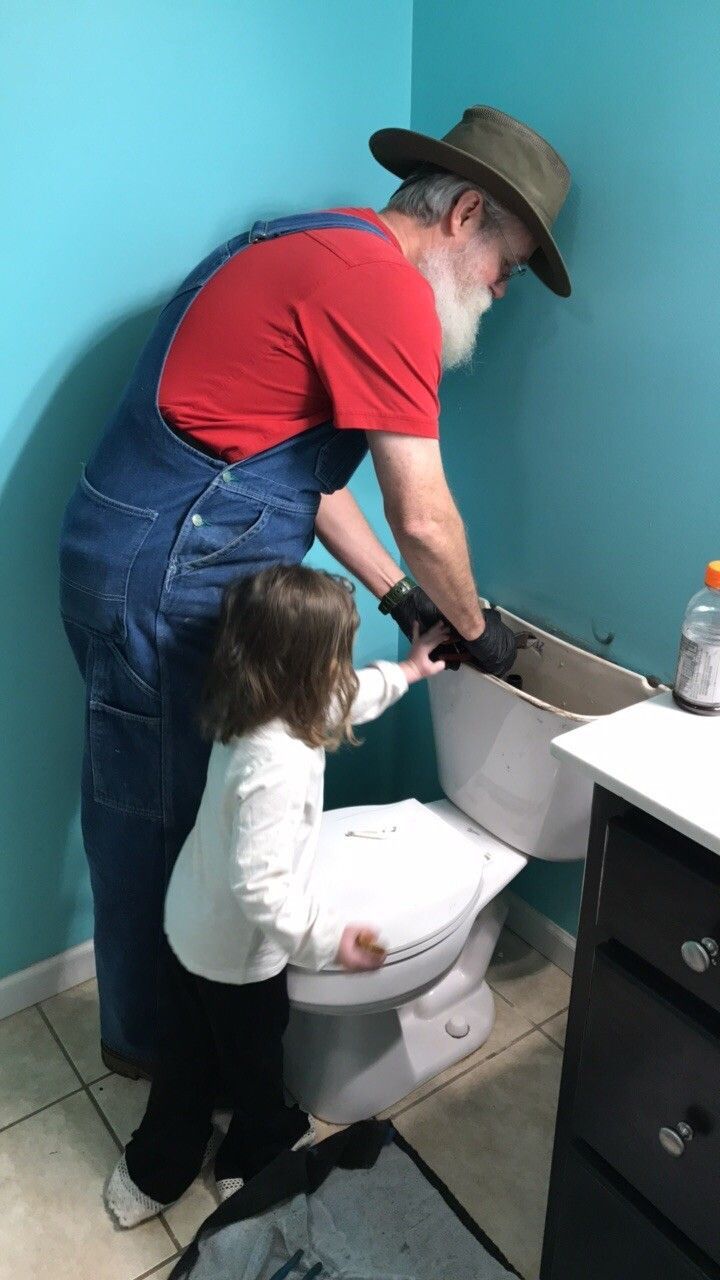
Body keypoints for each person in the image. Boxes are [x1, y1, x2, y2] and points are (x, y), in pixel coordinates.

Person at [58, 104, 572, 1078]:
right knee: (161, 821)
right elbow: (425, 516)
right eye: (506, 269)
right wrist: (478, 627)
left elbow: (301, 475)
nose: (501, 295)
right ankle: (166, 1064)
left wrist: (395, 599)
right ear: (465, 214)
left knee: (161, 808)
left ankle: (170, 1038)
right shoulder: (384, 291)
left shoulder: (321, 247)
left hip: (140, 544)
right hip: (163, 567)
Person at [104, 564, 449, 1227]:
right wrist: (328, 941)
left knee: (186, 1056)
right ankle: (262, 1145)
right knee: (256, 1061)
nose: (343, 670)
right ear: (311, 666)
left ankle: (164, 1159)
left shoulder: (254, 705)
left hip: (190, 923)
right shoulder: (279, 765)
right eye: (339, 657)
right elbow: (262, 888)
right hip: (238, 956)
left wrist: (408, 671)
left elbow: (339, 701)